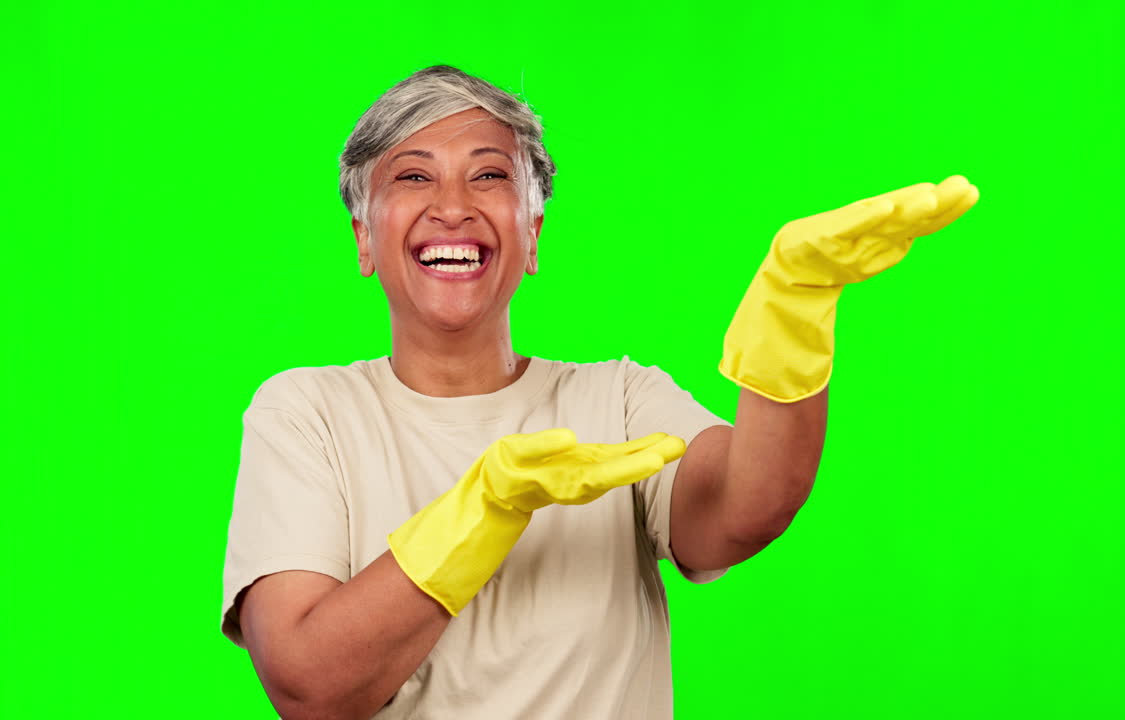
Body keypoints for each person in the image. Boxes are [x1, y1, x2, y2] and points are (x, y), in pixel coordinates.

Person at [220, 65, 979, 720]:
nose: (453, 206)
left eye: (490, 176)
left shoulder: (618, 401)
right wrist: (482, 511)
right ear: (363, 235)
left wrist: (795, 312)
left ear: (533, 232)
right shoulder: (307, 415)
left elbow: (746, 507)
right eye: (413, 176)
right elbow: (309, 686)